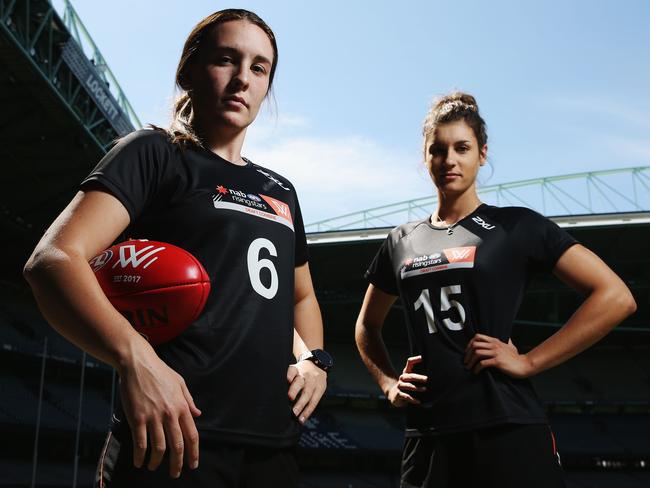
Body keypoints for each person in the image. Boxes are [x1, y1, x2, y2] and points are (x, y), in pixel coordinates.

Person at [23, 9, 332, 488]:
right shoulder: (156, 153)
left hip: (273, 449)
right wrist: (134, 358)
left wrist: (314, 359)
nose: (241, 80)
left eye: (258, 68)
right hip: (172, 440)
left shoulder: (281, 191)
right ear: (189, 71)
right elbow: (54, 260)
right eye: (226, 60)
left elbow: (299, 297)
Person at [355, 92, 636, 488]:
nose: (449, 159)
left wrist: (530, 362)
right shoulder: (401, 241)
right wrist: (387, 384)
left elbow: (615, 296)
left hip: (506, 426)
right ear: (425, 157)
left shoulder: (517, 227)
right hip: (428, 434)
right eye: (438, 149)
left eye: (462, 148)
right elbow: (366, 327)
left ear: (482, 154)